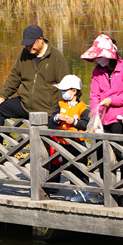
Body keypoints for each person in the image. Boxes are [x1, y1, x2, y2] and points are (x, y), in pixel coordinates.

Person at [0, 24, 70, 148]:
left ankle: (49, 164)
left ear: (40, 40)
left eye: (31, 44)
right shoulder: (24, 54)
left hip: (47, 109)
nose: (27, 47)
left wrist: (59, 109)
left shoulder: (56, 57)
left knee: (46, 145)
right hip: (24, 104)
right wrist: (3, 95)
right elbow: (14, 76)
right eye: (25, 44)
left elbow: (65, 84)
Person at [80, 34, 123, 206]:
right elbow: (94, 94)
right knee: (102, 155)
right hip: (102, 118)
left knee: (122, 155)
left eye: (101, 57)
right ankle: (108, 190)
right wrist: (95, 114)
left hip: (120, 118)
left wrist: (112, 100)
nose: (98, 60)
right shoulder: (97, 71)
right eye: (97, 57)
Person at [45, 74, 90, 202]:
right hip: (63, 141)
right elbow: (52, 120)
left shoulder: (82, 108)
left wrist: (73, 122)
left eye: (65, 91)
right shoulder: (60, 103)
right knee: (68, 167)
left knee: (79, 168)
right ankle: (74, 191)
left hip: (77, 143)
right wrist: (57, 118)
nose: (63, 93)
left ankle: (83, 193)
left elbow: (86, 124)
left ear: (74, 91)